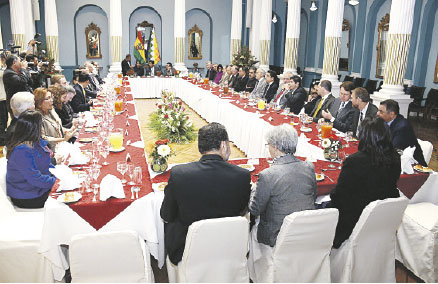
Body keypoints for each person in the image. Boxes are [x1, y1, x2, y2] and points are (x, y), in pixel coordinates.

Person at [160, 122, 251, 265]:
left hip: (188, 251)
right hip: (228, 246)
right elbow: (242, 210)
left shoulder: (179, 174)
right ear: (223, 145)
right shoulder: (242, 175)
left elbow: (166, 215)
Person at [326, 117, 400, 248]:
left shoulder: (355, 161)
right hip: (381, 221)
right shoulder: (395, 158)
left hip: (351, 223)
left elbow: (339, 197)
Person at [249, 124, 316, 247]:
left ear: (275, 147)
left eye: (268, 144)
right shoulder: (309, 167)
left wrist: (253, 189)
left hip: (276, 237)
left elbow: (255, 209)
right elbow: (313, 197)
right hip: (305, 232)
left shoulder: (267, 175)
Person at [6, 110, 57, 209]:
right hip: (27, 196)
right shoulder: (22, 150)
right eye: (41, 125)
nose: (42, 129)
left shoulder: (34, 142)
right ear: (33, 128)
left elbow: (44, 164)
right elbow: (36, 179)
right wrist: (57, 181)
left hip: (36, 188)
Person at [378, 99, 427, 166]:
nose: (377, 113)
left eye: (381, 112)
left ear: (392, 114)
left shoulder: (402, 127)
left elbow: (394, 151)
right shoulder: (384, 121)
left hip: (413, 165)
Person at [0, 54, 7, 146]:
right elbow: (3, 74)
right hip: (1, 98)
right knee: (2, 119)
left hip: (4, 97)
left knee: (4, 118)